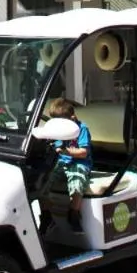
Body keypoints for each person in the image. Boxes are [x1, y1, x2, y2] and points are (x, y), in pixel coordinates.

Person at [39, 97, 92, 234]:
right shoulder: (58, 130)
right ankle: (47, 215)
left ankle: (74, 213)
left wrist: (65, 151)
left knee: (77, 184)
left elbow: (83, 153)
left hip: (79, 162)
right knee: (40, 182)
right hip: (61, 162)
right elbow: (55, 145)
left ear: (72, 118)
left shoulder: (82, 129)